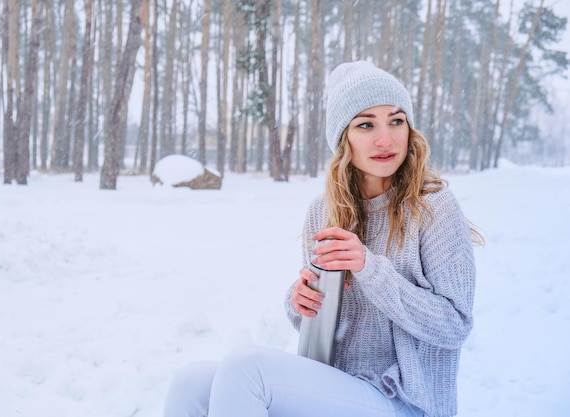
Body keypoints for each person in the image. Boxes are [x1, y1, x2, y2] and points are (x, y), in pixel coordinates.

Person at [163, 60, 480, 417]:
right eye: (365, 125)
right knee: (191, 382)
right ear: (343, 139)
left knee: (247, 368)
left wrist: (369, 268)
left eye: (396, 121)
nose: (385, 138)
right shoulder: (324, 211)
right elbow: (323, 329)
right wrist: (301, 302)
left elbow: (455, 326)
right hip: (339, 387)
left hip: (406, 402)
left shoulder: (433, 207)